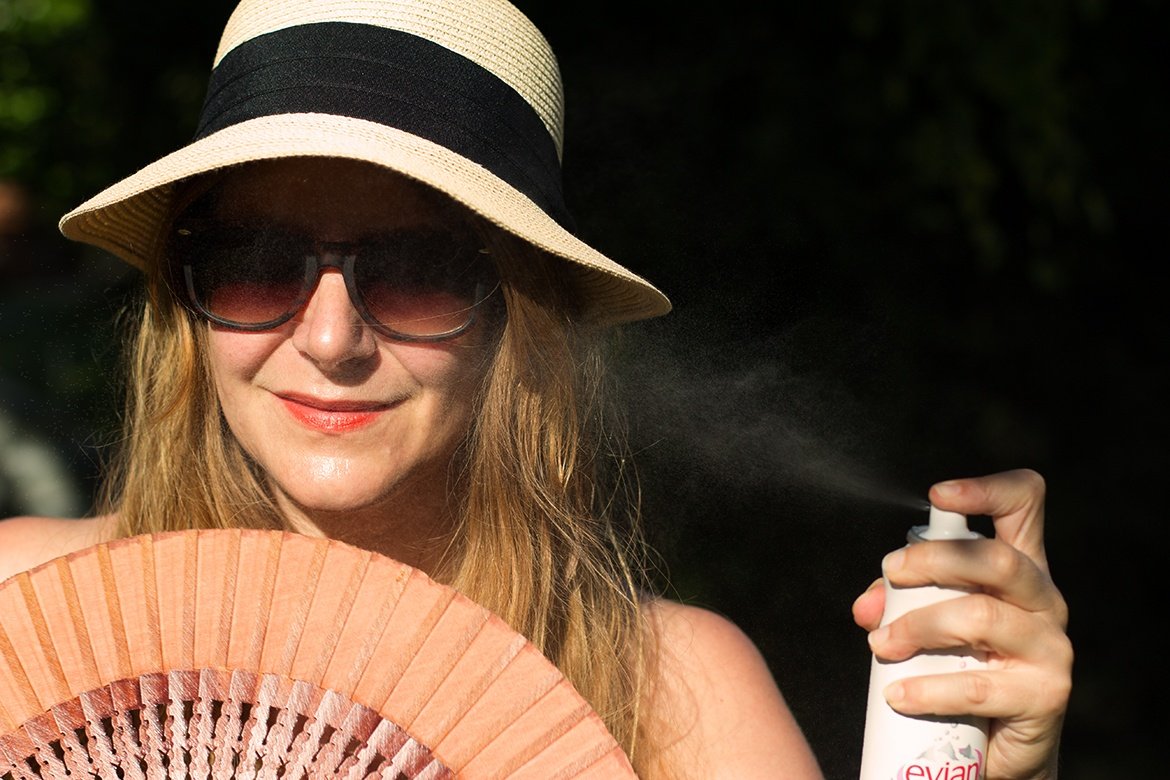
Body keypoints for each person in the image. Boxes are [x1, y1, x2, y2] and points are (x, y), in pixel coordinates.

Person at [0, 1, 1070, 777]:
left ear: (527, 321)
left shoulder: (673, 698)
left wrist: (997, 770)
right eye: (255, 263)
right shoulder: (14, 613)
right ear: (186, 303)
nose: (329, 339)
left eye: (418, 273)